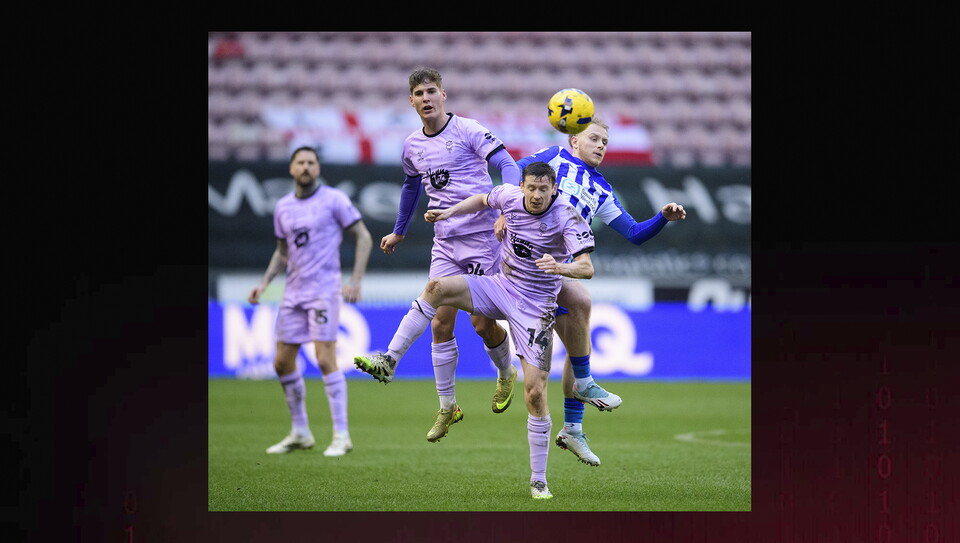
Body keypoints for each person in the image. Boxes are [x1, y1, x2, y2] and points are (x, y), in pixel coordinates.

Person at [401, 161, 595, 499]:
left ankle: (538, 480)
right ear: (522, 187)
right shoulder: (508, 196)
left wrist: (559, 267)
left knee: (535, 393)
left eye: (543, 189)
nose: (536, 195)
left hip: (535, 308)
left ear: (554, 189)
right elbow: (481, 199)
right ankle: (390, 358)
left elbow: (587, 268)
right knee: (436, 288)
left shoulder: (567, 216)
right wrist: (449, 213)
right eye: (531, 188)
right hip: (501, 287)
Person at [501, 117, 687, 466]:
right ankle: (509, 371)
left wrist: (662, 217)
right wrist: (505, 209)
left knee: (575, 340)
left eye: (605, 141)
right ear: (573, 140)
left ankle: (572, 427)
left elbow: (634, 233)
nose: (601, 145)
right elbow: (514, 171)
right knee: (580, 303)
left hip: (551, 272)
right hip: (517, 260)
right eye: (594, 138)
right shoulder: (554, 157)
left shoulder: (601, 190)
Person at [353, 67, 522, 441]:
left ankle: (506, 371)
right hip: (445, 241)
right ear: (411, 101)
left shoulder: (468, 130)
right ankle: (446, 405)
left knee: (481, 325)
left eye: (431, 91)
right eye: (419, 94)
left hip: (482, 238)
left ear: (443, 95)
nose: (426, 98)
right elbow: (411, 187)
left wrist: (508, 208)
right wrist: (399, 230)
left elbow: (508, 164)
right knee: (440, 321)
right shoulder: (412, 145)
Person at [248, 146, 373, 457]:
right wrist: (264, 283)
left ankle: (341, 435)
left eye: (311, 162)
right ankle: (300, 431)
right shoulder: (283, 207)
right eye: (300, 162)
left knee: (325, 358)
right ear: (292, 168)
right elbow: (282, 252)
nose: (306, 167)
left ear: (317, 168)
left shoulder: (334, 200)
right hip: (293, 292)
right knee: (281, 362)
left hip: (323, 290)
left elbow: (363, 236)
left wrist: (355, 280)